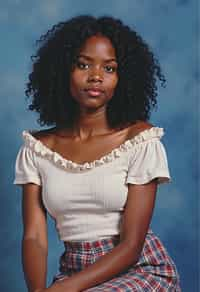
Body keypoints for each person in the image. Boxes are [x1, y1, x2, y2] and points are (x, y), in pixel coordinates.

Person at [14, 15, 181, 291]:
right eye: (83, 65)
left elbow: (131, 246)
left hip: (139, 267)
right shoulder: (37, 148)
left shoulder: (140, 141)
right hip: (74, 270)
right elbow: (34, 237)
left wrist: (64, 289)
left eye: (110, 68)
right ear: (61, 70)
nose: (96, 76)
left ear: (122, 78)